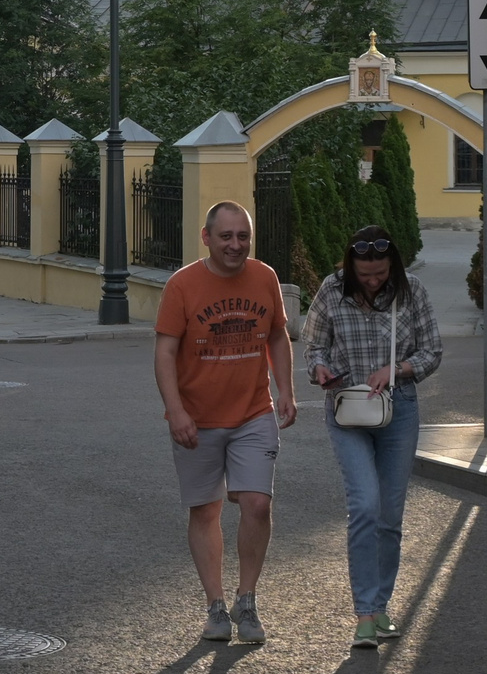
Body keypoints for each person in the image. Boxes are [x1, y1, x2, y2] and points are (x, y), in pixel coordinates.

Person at [154, 200, 296, 645]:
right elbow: (165, 352)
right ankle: (215, 604)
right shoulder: (182, 286)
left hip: (254, 412)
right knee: (206, 509)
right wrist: (176, 411)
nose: (235, 245)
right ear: (207, 238)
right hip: (197, 418)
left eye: (243, 237)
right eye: (226, 237)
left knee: (257, 504)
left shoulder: (265, 277)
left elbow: (276, 333)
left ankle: (247, 599)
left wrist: (286, 390)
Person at [304, 224, 443, 650]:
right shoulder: (331, 290)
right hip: (347, 411)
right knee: (364, 504)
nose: (372, 280)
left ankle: (381, 606)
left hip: (398, 411)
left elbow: (432, 350)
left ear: (392, 266)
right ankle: (364, 613)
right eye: (364, 274)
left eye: (379, 273)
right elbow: (313, 348)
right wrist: (320, 370)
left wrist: (397, 369)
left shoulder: (411, 291)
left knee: (389, 517)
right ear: (350, 267)